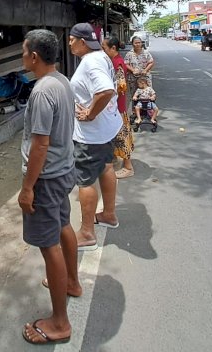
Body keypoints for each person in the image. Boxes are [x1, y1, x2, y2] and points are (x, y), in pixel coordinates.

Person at [18, 29, 80, 345]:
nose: (22, 56)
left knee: (49, 245)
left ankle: (59, 323)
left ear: (34, 57)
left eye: (23, 51)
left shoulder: (43, 92)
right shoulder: (62, 81)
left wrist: (28, 188)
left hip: (46, 178)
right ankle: (72, 282)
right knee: (64, 225)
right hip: (63, 170)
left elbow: (40, 144)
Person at [69, 23, 122, 251]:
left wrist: (90, 113)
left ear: (82, 42)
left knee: (85, 180)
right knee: (106, 167)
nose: (69, 43)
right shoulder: (100, 55)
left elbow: (106, 90)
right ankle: (109, 214)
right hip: (107, 127)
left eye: (72, 39)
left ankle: (87, 233)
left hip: (92, 134)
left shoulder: (90, 62)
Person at [101, 35, 135, 179]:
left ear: (113, 48)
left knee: (121, 135)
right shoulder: (114, 61)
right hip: (115, 105)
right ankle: (115, 158)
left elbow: (121, 85)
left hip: (117, 106)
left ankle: (128, 167)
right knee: (115, 135)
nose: (103, 51)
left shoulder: (117, 63)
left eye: (104, 48)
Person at [124, 35, 154, 106]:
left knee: (148, 94)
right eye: (136, 43)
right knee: (134, 95)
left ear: (141, 43)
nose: (138, 44)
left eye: (139, 42)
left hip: (145, 78)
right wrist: (133, 70)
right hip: (133, 78)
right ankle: (135, 112)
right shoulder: (129, 54)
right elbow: (126, 64)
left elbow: (151, 62)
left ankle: (148, 111)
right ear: (132, 44)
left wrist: (145, 70)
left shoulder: (146, 53)